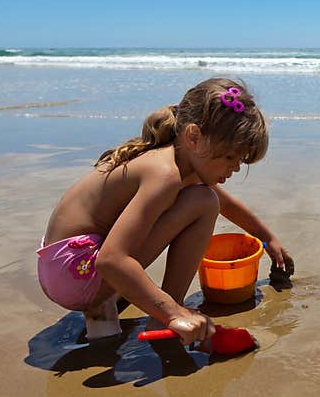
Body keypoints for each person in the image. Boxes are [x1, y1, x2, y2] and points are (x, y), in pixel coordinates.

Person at [36, 77, 292, 345]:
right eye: (229, 157)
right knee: (203, 202)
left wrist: (268, 238)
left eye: (240, 160)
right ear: (194, 136)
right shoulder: (165, 174)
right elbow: (110, 260)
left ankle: (104, 307)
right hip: (77, 274)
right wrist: (173, 313)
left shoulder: (176, 159)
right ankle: (162, 313)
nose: (236, 168)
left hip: (62, 267)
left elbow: (227, 204)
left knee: (205, 197)